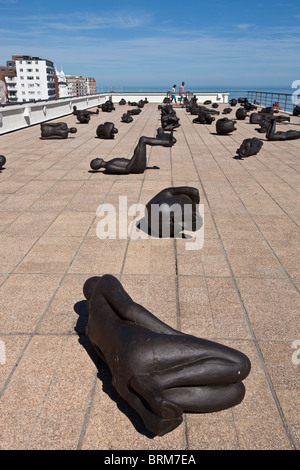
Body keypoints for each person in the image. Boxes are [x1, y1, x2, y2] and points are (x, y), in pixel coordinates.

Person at [83, 274, 251, 436]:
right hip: (142, 348)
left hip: (124, 373)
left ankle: (152, 400)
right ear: (95, 284)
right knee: (240, 364)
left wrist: (124, 389)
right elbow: (130, 310)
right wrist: (177, 336)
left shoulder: (89, 331)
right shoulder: (104, 283)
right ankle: (159, 381)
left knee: (236, 391)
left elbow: (106, 362)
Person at [90, 131, 176, 174]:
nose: (97, 158)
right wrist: (135, 156)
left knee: (141, 142)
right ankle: (167, 142)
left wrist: (135, 155)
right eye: (95, 160)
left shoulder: (108, 163)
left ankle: (162, 137)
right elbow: (126, 169)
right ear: (97, 164)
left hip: (135, 163)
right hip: (137, 167)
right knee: (143, 140)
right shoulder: (108, 166)